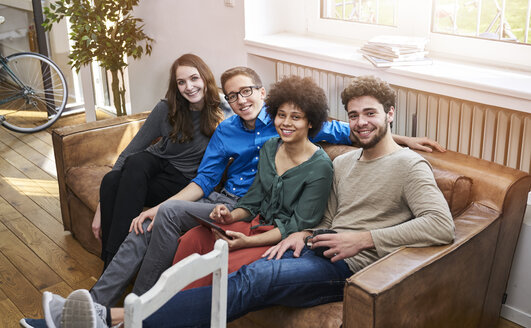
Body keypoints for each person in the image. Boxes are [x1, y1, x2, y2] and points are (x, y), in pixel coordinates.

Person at [27, 75, 454, 328]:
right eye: (355, 115)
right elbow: (322, 217)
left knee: (254, 279)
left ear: (390, 114)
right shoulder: (344, 166)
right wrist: (302, 234)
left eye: (371, 114)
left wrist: (364, 238)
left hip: (350, 265)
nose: (361, 123)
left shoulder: (408, 166)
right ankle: (97, 315)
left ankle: (113, 318)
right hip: (315, 246)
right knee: (200, 251)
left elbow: (441, 226)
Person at [173, 75, 334, 289]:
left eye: (296, 117)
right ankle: (165, 305)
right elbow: (252, 201)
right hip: (253, 224)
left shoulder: (320, 167)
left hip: (277, 238)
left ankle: (185, 312)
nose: (286, 123)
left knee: (221, 266)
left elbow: (295, 226)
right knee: (193, 238)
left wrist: (246, 242)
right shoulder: (270, 148)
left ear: (310, 121)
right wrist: (229, 216)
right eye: (281, 115)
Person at [93, 53, 225, 267]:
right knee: (124, 169)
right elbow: (129, 152)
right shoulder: (166, 108)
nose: (188, 87)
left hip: (180, 179)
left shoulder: (223, 112)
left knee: (114, 182)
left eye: (194, 78)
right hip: (153, 164)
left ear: (205, 78)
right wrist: (100, 209)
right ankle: (114, 261)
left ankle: (110, 262)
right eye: (181, 82)